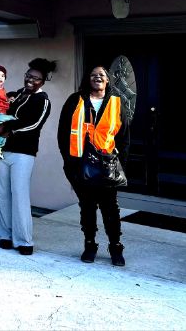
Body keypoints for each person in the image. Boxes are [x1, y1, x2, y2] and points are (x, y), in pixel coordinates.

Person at [57, 65, 131, 266]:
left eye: (102, 75)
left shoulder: (117, 103)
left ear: (107, 80)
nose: (98, 77)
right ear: (88, 79)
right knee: (87, 208)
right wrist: (69, 163)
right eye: (93, 75)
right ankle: (90, 245)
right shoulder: (75, 100)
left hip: (107, 167)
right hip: (80, 166)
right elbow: (63, 133)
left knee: (110, 210)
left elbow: (124, 138)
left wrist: (119, 166)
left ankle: (115, 247)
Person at [0, 58, 56, 256]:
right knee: (2, 193)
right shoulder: (15, 95)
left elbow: (34, 125)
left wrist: (9, 131)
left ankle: (24, 240)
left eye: (36, 78)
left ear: (43, 81)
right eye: (29, 75)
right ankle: (5, 236)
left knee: (19, 194)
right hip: (1, 150)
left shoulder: (43, 100)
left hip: (23, 152)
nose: (30, 80)